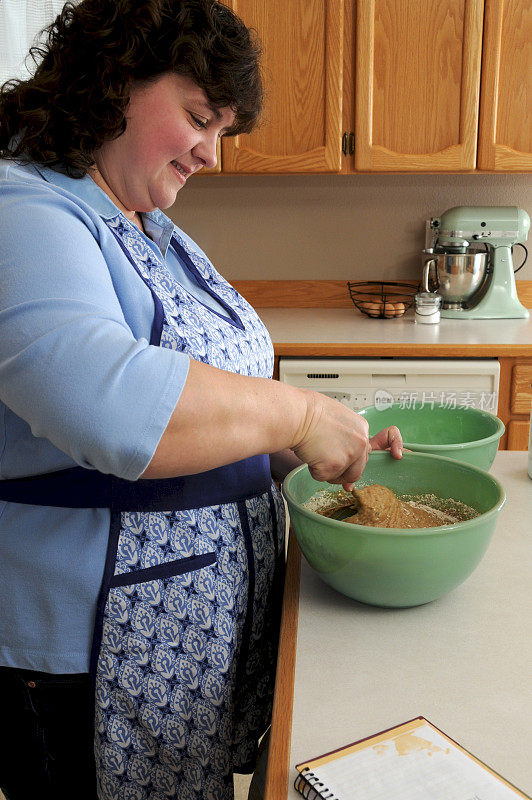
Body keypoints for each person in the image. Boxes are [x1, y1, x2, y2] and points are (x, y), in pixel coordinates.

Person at [0, 2, 403, 798]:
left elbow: (213, 397)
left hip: (177, 647)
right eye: (198, 117)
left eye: (222, 129)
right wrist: (296, 413)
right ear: (112, 82)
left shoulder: (140, 220)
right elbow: (104, 404)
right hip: (85, 661)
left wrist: (304, 445)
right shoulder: (23, 211)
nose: (212, 155)